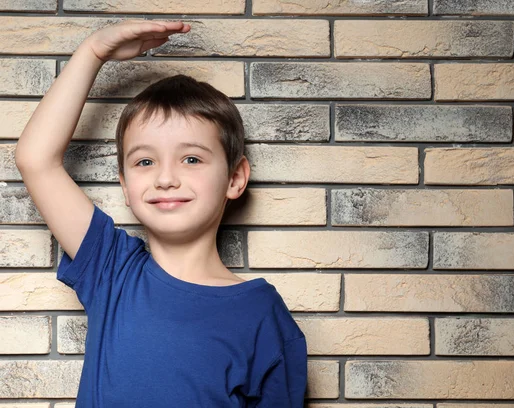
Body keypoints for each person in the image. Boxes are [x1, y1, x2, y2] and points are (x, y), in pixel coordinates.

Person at [15, 20, 307, 407]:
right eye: (145, 161)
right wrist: (93, 52)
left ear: (235, 178)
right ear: (124, 185)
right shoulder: (113, 269)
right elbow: (36, 160)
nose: (166, 178)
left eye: (190, 158)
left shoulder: (262, 315)